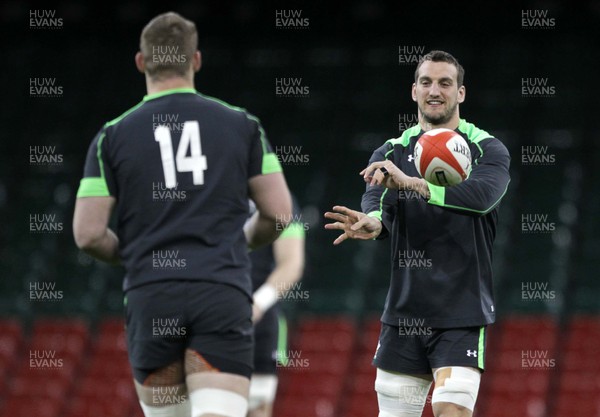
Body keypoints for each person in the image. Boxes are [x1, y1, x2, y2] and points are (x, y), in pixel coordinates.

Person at [72, 12, 292, 417]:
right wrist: (236, 243)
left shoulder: (112, 136)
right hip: (221, 292)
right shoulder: (243, 125)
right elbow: (279, 216)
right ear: (196, 61)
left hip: (152, 296)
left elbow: (87, 235)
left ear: (141, 61)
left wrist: (138, 252)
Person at [324, 50, 510, 417]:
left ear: (461, 93)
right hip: (404, 314)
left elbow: (482, 197)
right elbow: (377, 205)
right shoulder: (391, 151)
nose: (434, 90)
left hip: (462, 311)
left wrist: (414, 185)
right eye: (426, 82)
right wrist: (373, 224)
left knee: (451, 410)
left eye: (445, 82)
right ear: (414, 91)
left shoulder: (487, 148)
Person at [247, 200, 305, 417]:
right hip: (206, 321)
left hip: (260, 326)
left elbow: (292, 264)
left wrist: (257, 305)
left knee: (257, 407)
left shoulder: (282, 200)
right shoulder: (205, 194)